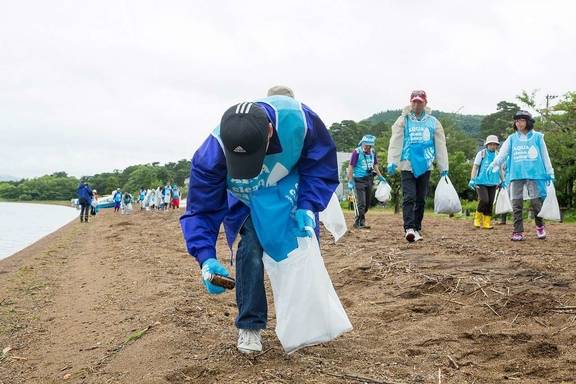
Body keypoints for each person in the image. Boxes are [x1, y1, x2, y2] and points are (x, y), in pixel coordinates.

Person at [180, 95, 338, 354]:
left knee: (302, 249)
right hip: (248, 200)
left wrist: (308, 206)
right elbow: (201, 210)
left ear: (269, 131)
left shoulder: (300, 120)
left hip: (290, 190)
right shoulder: (210, 155)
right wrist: (206, 258)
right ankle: (250, 325)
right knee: (251, 247)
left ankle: (306, 322)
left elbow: (319, 163)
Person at [387, 90, 449, 242]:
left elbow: (440, 145)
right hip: (407, 163)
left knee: (420, 198)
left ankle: (417, 227)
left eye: (419, 101)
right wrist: (392, 161)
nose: (416, 104)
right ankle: (408, 228)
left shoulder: (433, 122)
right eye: (414, 101)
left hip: (425, 164)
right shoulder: (403, 120)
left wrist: (443, 167)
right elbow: (396, 141)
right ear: (410, 102)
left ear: (425, 103)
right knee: (409, 196)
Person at [488, 110, 554, 241]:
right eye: (517, 121)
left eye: (522, 120)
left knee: (536, 202)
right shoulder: (512, 139)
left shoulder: (537, 137)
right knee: (516, 203)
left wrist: (550, 171)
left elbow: (544, 155)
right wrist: (494, 163)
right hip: (516, 174)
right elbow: (503, 154)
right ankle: (518, 231)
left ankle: (540, 226)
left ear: (528, 122)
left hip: (534, 174)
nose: (519, 123)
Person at [347, 134, 386, 229]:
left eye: (369, 145)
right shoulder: (356, 152)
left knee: (367, 204)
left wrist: (380, 176)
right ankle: (361, 222)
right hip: (359, 180)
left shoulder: (373, 152)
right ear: (362, 143)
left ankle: (358, 221)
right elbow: (351, 166)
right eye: (366, 145)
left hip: (369, 179)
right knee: (361, 203)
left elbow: (375, 165)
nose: (367, 147)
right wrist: (350, 180)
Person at [468, 135, 503, 229]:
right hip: (481, 182)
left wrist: (502, 181)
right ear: (487, 145)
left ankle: (487, 222)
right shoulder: (482, 153)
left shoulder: (497, 155)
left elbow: (499, 170)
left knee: (490, 202)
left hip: (493, 182)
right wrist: (472, 179)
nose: (492, 146)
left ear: (496, 145)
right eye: (490, 144)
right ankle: (477, 218)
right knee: (484, 200)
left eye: (494, 144)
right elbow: (475, 167)